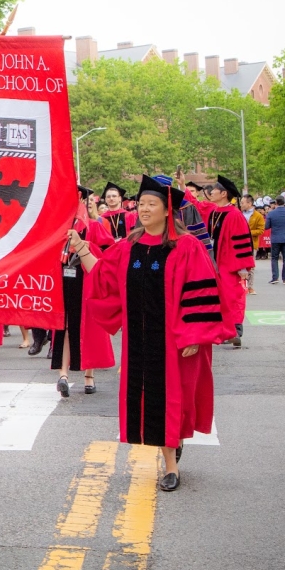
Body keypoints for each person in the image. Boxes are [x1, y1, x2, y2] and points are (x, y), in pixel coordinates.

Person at [68, 175, 227, 492]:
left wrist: (194, 338)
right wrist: (80, 246)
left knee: (172, 401)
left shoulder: (188, 248)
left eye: (151, 204)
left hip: (176, 340)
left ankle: (171, 463)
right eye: (141, 204)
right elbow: (102, 276)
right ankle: (169, 457)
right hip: (139, 342)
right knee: (151, 401)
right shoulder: (129, 247)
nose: (144, 210)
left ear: (168, 210)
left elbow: (200, 296)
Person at [53, 188, 116, 396]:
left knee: (88, 327)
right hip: (64, 279)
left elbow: (108, 253)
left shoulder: (95, 226)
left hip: (88, 279)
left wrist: (85, 246)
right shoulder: (58, 226)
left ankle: (89, 375)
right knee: (64, 326)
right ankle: (63, 374)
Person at [203, 177, 255, 347]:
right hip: (215, 261)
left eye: (215, 190)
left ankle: (235, 331)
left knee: (232, 296)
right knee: (217, 297)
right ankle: (222, 330)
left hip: (230, 264)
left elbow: (242, 242)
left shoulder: (235, 215)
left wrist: (242, 267)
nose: (211, 193)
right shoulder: (215, 212)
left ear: (224, 193)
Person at [265, 198, 285, 283]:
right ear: (284, 202)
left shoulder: (271, 213)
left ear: (276, 203)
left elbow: (267, 226)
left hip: (275, 238)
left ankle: (275, 277)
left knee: (274, 258)